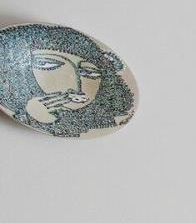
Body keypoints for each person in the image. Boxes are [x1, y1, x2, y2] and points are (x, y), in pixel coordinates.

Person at [0, 23, 137, 137]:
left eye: (89, 72)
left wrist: (41, 118)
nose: (75, 87)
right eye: (47, 65)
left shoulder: (105, 122)